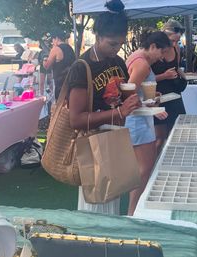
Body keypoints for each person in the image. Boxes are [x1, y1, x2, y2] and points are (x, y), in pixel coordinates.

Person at [67, 0, 141, 214]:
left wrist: (140, 102)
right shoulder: (82, 67)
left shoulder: (117, 62)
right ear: (98, 37)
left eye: (119, 44)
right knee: (94, 206)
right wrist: (118, 112)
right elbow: (76, 119)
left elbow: (122, 97)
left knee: (113, 199)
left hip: (115, 138)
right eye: (111, 44)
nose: (116, 49)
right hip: (92, 143)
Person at [125, 29, 170, 215]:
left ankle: (135, 210)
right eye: (162, 52)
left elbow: (135, 91)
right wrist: (151, 107)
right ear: (153, 46)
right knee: (144, 170)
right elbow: (128, 94)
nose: (162, 57)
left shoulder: (135, 56)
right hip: (138, 120)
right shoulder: (143, 64)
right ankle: (134, 212)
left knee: (141, 169)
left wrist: (150, 97)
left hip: (138, 117)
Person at [151, 19, 187, 154]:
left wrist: (182, 75)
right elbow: (145, 80)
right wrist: (163, 76)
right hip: (158, 96)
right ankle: (153, 168)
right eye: (171, 40)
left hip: (174, 95)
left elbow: (176, 68)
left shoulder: (175, 49)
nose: (173, 44)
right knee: (159, 138)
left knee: (178, 134)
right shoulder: (153, 49)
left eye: (176, 41)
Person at [43, 29, 75, 100]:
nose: (52, 42)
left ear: (56, 38)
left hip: (60, 84)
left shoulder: (56, 49)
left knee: (60, 108)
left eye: (52, 40)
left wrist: (44, 59)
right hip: (72, 82)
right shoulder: (70, 48)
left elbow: (47, 66)